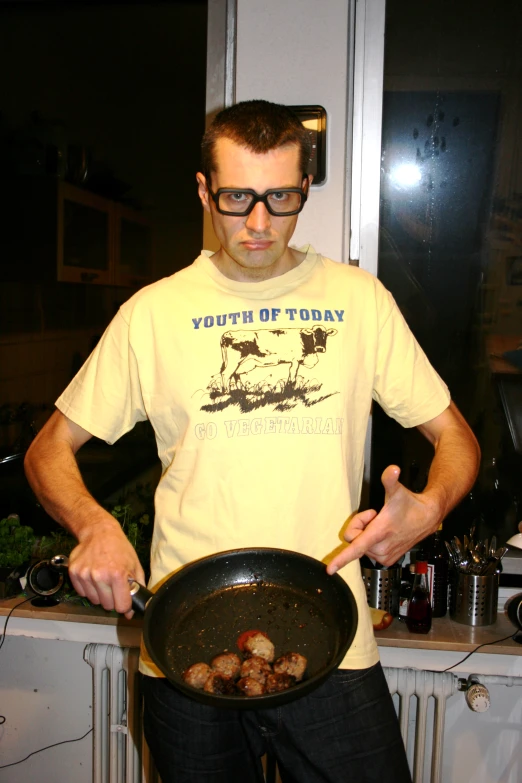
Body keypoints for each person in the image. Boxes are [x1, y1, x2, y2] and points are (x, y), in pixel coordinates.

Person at [24, 99, 480, 783]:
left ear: (305, 188)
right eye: (237, 197)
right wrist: (94, 525)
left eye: (282, 197)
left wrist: (431, 504)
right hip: (184, 642)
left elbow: (458, 439)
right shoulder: (152, 313)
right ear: (205, 189)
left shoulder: (360, 301)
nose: (260, 223)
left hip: (334, 639)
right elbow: (46, 451)